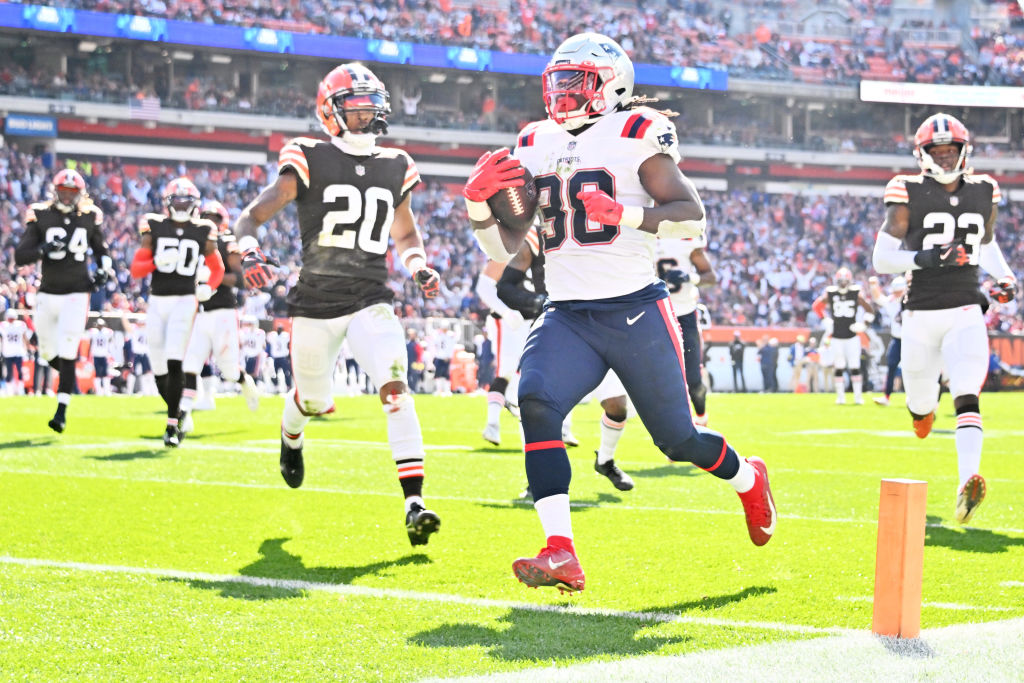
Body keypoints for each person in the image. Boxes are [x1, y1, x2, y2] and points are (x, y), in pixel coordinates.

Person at [463, 33, 775, 592]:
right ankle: (560, 549)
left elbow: (690, 219)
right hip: (566, 312)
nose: (560, 93)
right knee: (535, 403)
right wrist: (476, 208)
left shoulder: (637, 131)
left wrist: (625, 215)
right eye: (556, 81)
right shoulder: (534, 140)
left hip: (634, 308)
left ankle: (749, 478)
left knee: (679, 441)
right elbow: (508, 251)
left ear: (611, 86)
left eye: (574, 81)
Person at [233, 62, 443, 546]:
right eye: (355, 106)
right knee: (312, 400)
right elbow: (254, 214)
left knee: (396, 390)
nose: (366, 115)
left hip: (371, 296)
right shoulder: (308, 155)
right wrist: (249, 252)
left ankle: (414, 503)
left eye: (371, 106)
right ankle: (291, 437)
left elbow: (406, 231)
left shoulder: (397, 164)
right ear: (331, 112)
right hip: (315, 302)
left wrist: (418, 265)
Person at [871, 112, 1011, 524]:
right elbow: (882, 259)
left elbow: (985, 244)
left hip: (966, 306)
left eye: (952, 151)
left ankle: (967, 484)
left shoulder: (985, 189)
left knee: (967, 390)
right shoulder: (907, 189)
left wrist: (1004, 277)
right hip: (920, 312)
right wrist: (929, 257)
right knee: (921, 401)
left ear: (965, 151)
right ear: (923, 153)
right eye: (939, 151)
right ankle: (921, 414)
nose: (946, 158)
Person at [497, 230, 634, 492]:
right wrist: (536, 300)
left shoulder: (603, 233)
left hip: (598, 326)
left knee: (617, 405)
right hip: (557, 330)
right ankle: (536, 477)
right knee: (539, 409)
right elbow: (505, 287)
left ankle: (605, 460)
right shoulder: (537, 239)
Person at [13, 169, 113, 431]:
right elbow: (21, 255)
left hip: (77, 292)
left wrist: (104, 269)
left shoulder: (90, 217)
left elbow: (102, 251)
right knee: (46, 351)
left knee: (69, 346)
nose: (68, 197)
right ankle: (71, 379)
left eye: (72, 193)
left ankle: (61, 410)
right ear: (55, 191)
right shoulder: (41, 215)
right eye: (64, 192)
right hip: (47, 292)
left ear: (80, 194)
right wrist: (42, 249)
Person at [130, 177, 225, 447]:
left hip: (185, 299)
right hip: (158, 301)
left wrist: (209, 285)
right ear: (168, 203)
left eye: (186, 201)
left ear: (195, 205)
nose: (182, 206)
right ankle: (180, 413)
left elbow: (216, 268)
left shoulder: (203, 229)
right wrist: (155, 261)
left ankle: (171, 426)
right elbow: (136, 269)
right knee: (159, 368)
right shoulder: (155, 225)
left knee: (174, 360)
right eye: (178, 200)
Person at [178, 199, 260, 435]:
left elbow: (242, 278)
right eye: (206, 217)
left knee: (230, 371)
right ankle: (184, 414)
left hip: (223, 312)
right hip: (200, 312)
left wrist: (213, 276)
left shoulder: (226, 243)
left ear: (221, 223)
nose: (209, 223)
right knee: (190, 364)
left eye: (214, 219)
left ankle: (245, 383)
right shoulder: (193, 242)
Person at [656, 235, 717, 424]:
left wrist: (690, 277)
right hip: (656, 313)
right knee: (664, 379)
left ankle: (701, 417)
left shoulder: (686, 237)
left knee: (694, 381)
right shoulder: (643, 234)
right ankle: (678, 430)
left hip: (685, 314)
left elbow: (711, 277)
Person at [812, 267, 875, 405]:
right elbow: (816, 306)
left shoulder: (855, 292)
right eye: (841, 281)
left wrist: (864, 324)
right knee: (839, 366)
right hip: (836, 336)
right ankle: (840, 397)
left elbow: (870, 310)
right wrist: (824, 319)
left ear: (850, 281)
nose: (843, 284)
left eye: (845, 281)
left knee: (855, 366)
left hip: (852, 336)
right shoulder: (831, 293)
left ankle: (858, 397)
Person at [869, 275, 907, 406]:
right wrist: (874, 285)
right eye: (895, 292)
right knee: (891, 366)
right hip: (897, 339)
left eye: (899, 292)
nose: (896, 295)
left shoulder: (912, 301)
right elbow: (878, 298)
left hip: (911, 340)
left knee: (913, 369)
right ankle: (886, 397)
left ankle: (915, 398)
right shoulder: (891, 301)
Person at [0, 310, 29, 396]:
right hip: (7, 352)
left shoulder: (20, 325)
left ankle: (20, 390)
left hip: (18, 352)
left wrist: (27, 347)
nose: (11, 320)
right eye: (10, 318)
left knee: (20, 371)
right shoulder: (3, 325)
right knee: (9, 372)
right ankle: (9, 391)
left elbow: (24, 336)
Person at [88, 318, 114, 396]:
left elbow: (110, 340)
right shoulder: (93, 332)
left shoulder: (107, 332)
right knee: (97, 374)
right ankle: (99, 391)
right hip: (96, 356)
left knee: (105, 374)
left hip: (104, 355)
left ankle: (106, 391)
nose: (99, 327)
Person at [266, 324, 293, 394]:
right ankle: (276, 386)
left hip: (284, 357)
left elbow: (289, 343)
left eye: (280, 328)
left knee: (287, 373)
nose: (279, 330)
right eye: (278, 328)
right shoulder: (273, 335)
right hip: (275, 358)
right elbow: (268, 339)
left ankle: (288, 386)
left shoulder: (285, 335)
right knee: (273, 373)